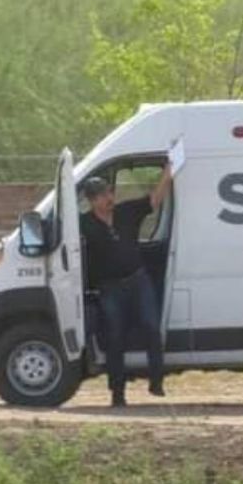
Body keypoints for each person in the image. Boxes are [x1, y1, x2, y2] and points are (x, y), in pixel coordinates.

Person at [81, 165, 173, 407]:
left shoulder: (126, 212)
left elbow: (154, 200)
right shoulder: (85, 224)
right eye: (102, 195)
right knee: (115, 338)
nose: (109, 198)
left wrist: (168, 171)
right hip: (110, 287)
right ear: (92, 201)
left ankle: (156, 381)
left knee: (152, 328)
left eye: (109, 192)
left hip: (138, 279)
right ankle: (117, 393)